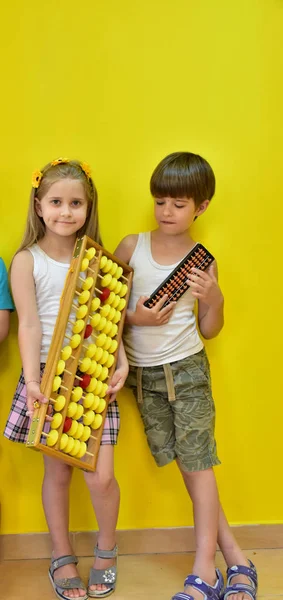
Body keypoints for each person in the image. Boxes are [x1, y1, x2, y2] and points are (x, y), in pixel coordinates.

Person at [114, 152, 258, 600]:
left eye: (178, 203)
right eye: (160, 202)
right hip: (143, 378)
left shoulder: (202, 262)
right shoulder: (129, 247)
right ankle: (235, 554)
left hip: (189, 371)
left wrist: (214, 299)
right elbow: (108, 314)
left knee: (198, 465)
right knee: (188, 467)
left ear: (202, 206)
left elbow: (209, 331)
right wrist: (137, 319)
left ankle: (205, 571)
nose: (167, 212)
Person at [4, 158, 129, 599]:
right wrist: (35, 382)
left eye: (75, 203)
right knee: (57, 475)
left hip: (93, 382)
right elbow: (29, 326)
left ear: (87, 207)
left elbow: (108, 318)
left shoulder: (97, 259)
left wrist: (122, 361)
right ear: (39, 206)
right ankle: (61, 553)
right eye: (56, 202)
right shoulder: (27, 261)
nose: (66, 212)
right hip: (47, 381)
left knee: (100, 477)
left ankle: (107, 549)